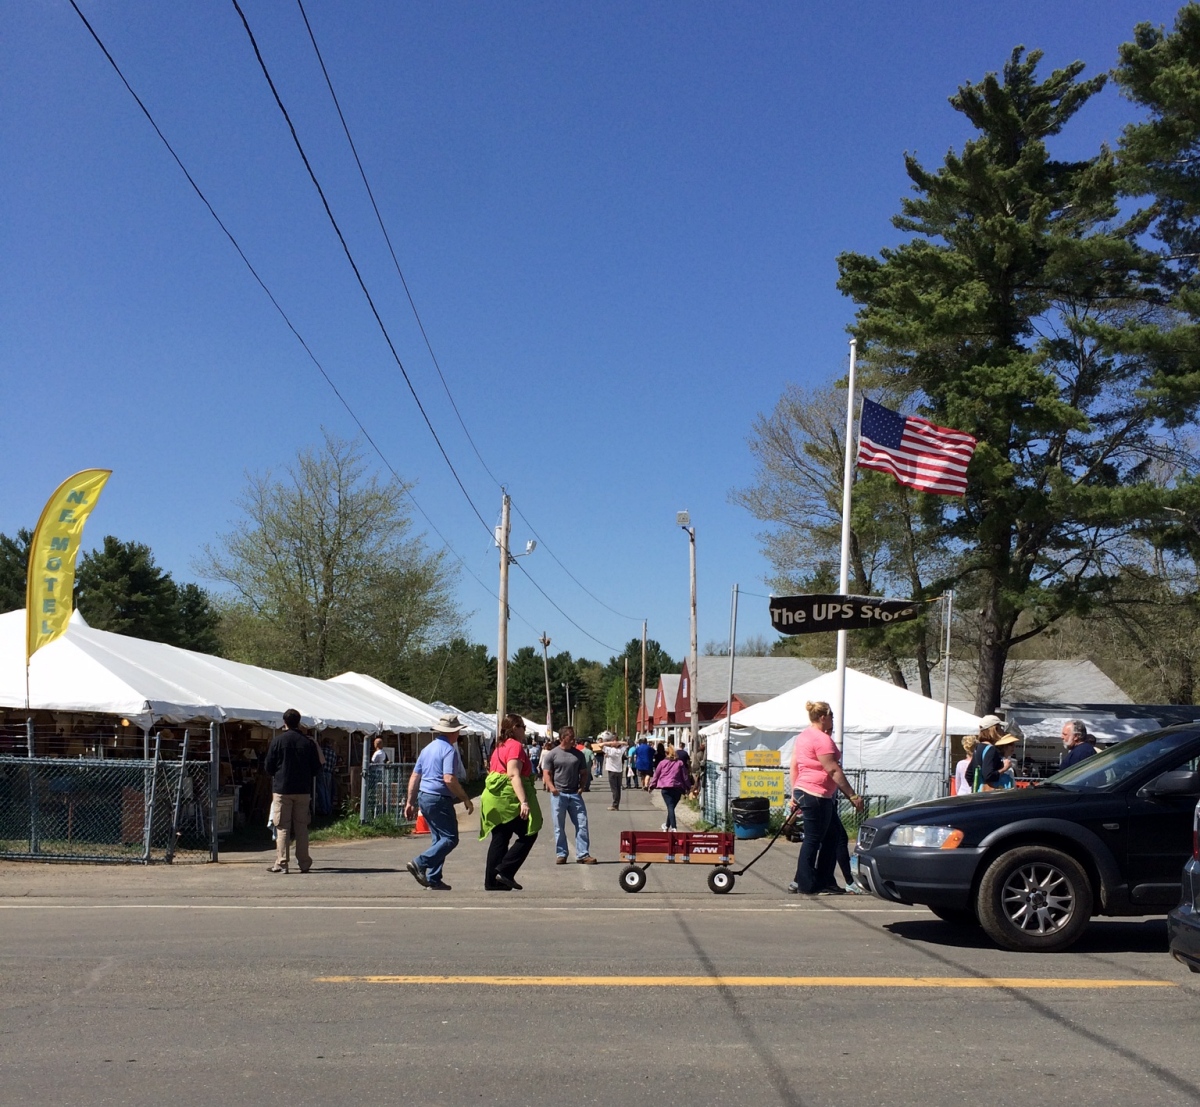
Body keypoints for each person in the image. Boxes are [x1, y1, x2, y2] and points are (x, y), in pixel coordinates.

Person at [787, 701, 865, 896]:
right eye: (831, 716)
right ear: (823, 717)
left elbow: (795, 765)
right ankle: (806, 884)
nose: (832, 720)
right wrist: (852, 795)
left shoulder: (804, 736)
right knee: (813, 839)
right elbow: (833, 769)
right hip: (816, 794)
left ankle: (823, 881)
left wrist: (794, 793)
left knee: (832, 837)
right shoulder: (821, 740)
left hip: (807, 791)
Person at [403, 714, 475, 891]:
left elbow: (415, 776)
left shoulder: (427, 749)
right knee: (450, 838)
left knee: (439, 839)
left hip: (424, 796)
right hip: (439, 798)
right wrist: (465, 798)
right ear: (454, 732)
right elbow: (449, 778)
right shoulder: (449, 750)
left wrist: (410, 801)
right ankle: (420, 862)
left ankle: (434, 878)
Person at [479, 714, 541, 891]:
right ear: (514, 728)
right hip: (507, 799)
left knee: (500, 836)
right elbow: (513, 774)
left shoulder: (499, 747)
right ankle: (505, 871)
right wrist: (524, 802)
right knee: (529, 832)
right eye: (523, 726)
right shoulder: (515, 747)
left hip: (493, 797)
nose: (525, 731)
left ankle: (492, 882)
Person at [264, 708, 323, 874]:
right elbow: (316, 767)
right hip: (303, 790)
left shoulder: (278, 741)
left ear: (284, 722)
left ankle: (282, 862)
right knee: (301, 827)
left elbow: (268, 766)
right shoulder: (308, 742)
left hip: (282, 789)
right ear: (299, 722)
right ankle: (304, 862)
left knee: (282, 827)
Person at [540, 727, 597, 864]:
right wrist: (552, 788)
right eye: (570, 737)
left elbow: (584, 772)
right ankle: (561, 853)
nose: (573, 739)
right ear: (562, 738)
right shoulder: (552, 754)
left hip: (574, 794)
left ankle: (583, 854)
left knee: (582, 823)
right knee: (558, 826)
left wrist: (582, 787)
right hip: (558, 794)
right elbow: (546, 773)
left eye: (573, 736)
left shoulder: (578, 754)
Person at [649, 746, 690, 830]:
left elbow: (656, 775)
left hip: (666, 788)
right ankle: (667, 825)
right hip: (678, 788)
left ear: (666, 753)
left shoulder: (662, 763)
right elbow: (685, 776)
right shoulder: (680, 763)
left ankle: (674, 827)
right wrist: (688, 787)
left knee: (670, 807)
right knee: (671, 808)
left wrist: (652, 786)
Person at [968, 715, 1011, 792]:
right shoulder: (991, 749)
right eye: (1000, 727)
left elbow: (969, 775)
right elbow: (988, 775)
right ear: (995, 729)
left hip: (978, 795)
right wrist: (1004, 768)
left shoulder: (978, 748)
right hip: (990, 796)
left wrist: (978, 787)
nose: (1002, 731)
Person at [600, 732, 626, 810]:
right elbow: (626, 744)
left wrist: (610, 742)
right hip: (619, 771)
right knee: (618, 789)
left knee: (614, 789)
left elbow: (600, 745)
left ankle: (615, 805)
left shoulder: (610, 750)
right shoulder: (621, 750)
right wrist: (618, 742)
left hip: (612, 771)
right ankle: (616, 804)